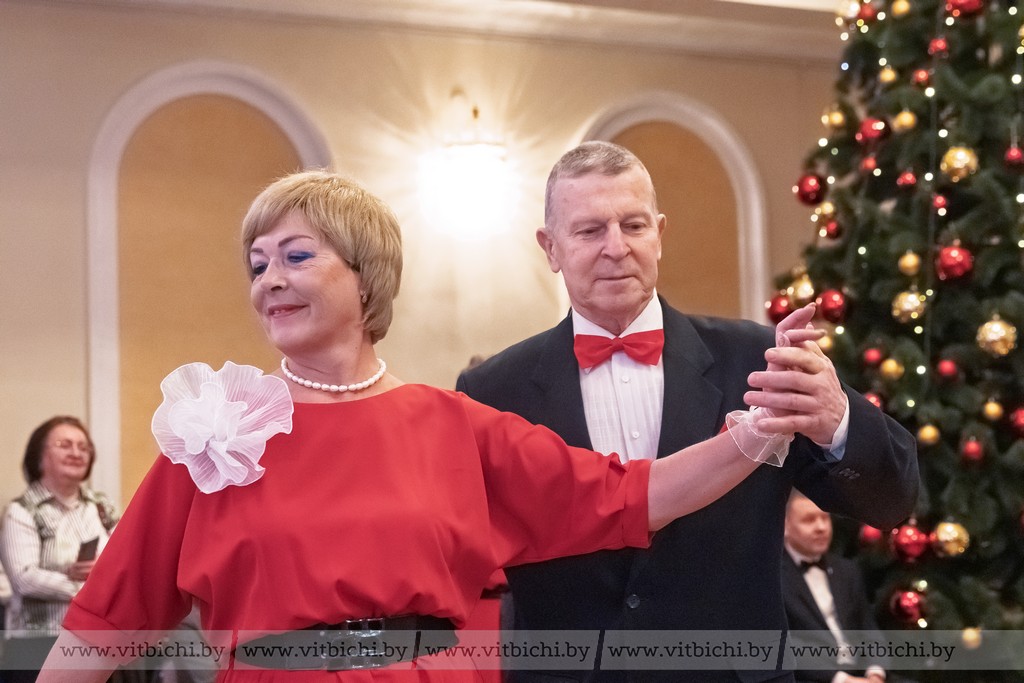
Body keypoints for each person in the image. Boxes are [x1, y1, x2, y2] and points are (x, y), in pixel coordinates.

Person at [36, 170, 824, 682]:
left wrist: (752, 434)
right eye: (258, 263)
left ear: (366, 276)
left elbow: (628, 496)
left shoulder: (454, 426)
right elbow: (108, 615)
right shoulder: (214, 434)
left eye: (297, 255)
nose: (270, 278)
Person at [456, 141, 919, 683]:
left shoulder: (759, 359)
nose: (616, 248)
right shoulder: (491, 391)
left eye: (633, 226)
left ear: (659, 234)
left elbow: (893, 499)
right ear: (550, 247)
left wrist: (836, 419)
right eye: (589, 231)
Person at [0, 416, 118, 683]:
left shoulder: (102, 507)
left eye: (83, 447)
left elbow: (125, 561)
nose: (76, 453)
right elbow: (23, 578)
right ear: (39, 456)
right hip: (37, 644)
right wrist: (86, 588)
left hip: (95, 640)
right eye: (65, 445)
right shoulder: (22, 510)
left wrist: (102, 568)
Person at [782, 491, 887, 683]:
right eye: (809, 520)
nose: (821, 527)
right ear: (785, 526)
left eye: (825, 518)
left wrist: (875, 674)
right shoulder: (773, 578)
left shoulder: (847, 570)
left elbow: (868, 629)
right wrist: (841, 680)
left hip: (862, 675)